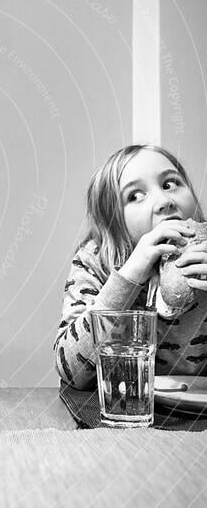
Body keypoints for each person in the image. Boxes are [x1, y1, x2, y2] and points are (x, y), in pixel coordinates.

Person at [55, 144, 207, 389]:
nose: (164, 201)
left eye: (170, 184)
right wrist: (128, 277)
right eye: (135, 196)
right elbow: (71, 370)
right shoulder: (96, 259)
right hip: (122, 412)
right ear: (114, 221)